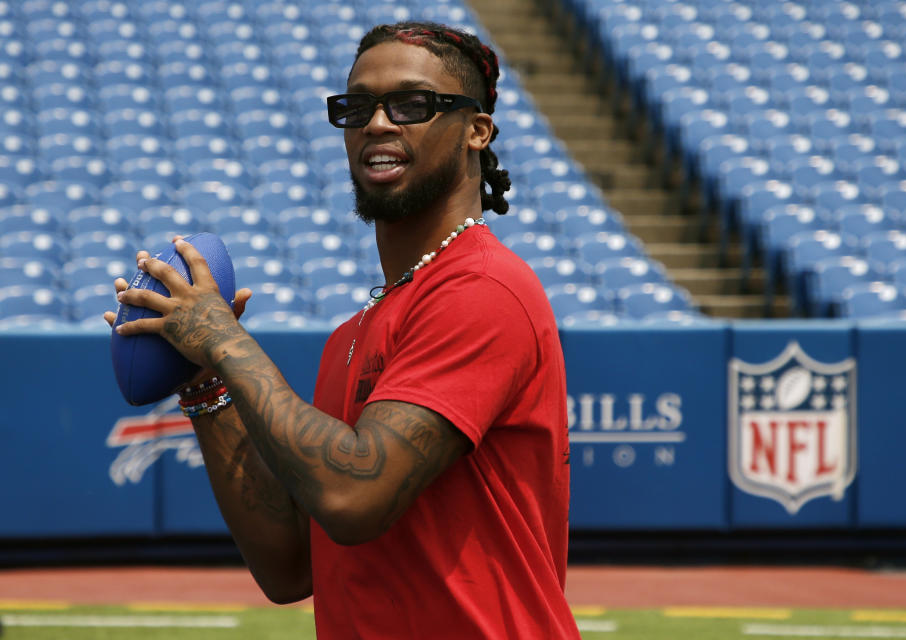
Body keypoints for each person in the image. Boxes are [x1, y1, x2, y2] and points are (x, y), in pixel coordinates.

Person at [105, 22, 580, 639]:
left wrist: (226, 340)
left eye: (413, 104)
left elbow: (355, 498)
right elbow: (289, 567)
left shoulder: (482, 289)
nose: (378, 123)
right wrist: (206, 383)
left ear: (476, 131)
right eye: (358, 106)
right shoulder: (353, 332)